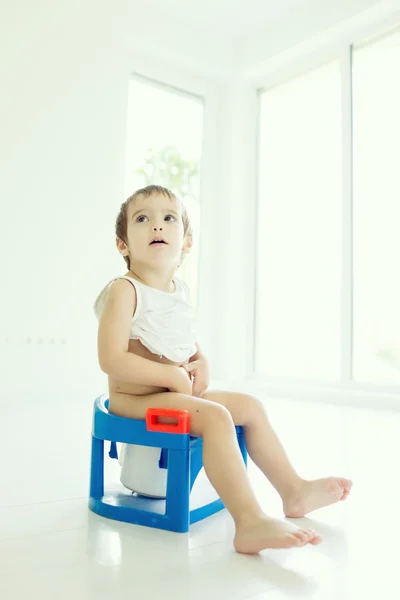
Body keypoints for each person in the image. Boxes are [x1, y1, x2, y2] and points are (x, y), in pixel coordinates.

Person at [94, 184, 352, 554]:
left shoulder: (177, 290)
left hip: (174, 394)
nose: (157, 226)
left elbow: (186, 342)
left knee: (249, 407)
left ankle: (293, 490)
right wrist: (169, 376)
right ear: (123, 244)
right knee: (216, 418)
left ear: (186, 243)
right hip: (132, 401)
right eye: (142, 219)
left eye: (169, 219)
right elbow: (112, 359)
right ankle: (249, 522)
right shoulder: (125, 290)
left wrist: (202, 363)